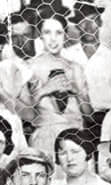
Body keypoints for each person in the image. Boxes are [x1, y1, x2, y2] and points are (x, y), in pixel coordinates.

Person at [18, 13, 91, 156]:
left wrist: (77, 92)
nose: (53, 39)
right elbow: (25, 114)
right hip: (45, 140)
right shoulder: (28, 68)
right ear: (40, 36)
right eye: (47, 32)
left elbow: (88, 114)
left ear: (65, 35)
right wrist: (44, 90)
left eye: (58, 33)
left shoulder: (76, 68)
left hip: (76, 138)